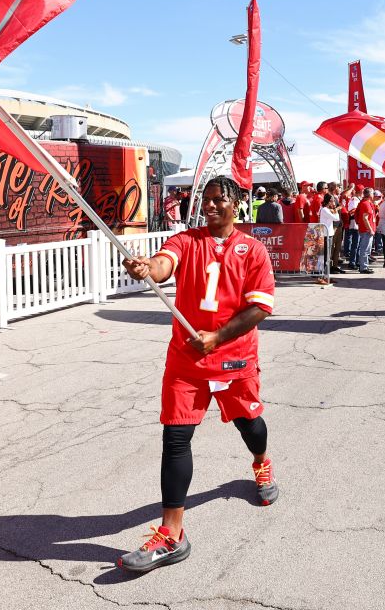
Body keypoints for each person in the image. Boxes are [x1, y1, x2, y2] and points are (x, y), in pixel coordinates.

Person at [117, 177, 277, 572]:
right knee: (175, 438)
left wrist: (219, 336)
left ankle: (261, 461)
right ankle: (173, 535)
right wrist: (146, 268)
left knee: (250, 425)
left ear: (236, 205)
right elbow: (163, 264)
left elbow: (260, 308)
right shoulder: (187, 240)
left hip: (234, 358)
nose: (209, 207)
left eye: (218, 201)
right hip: (187, 361)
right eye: (205, 201)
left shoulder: (253, 250)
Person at [354, 189, 378, 274]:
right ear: (369, 195)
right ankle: (363, 267)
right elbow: (365, 218)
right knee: (365, 249)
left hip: (366, 230)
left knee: (366, 249)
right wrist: (370, 229)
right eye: (372, 193)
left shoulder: (366, 203)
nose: (373, 194)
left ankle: (364, 266)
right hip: (366, 230)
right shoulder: (365, 204)